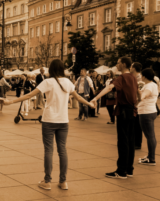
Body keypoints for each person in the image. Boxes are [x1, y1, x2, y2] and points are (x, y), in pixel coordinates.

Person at [7, 59, 95, 190]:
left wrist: (11, 102)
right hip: (63, 121)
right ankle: (63, 181)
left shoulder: (47, 82)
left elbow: (30, 95)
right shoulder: (68, 82)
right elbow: (78, 97)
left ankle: (47, 181)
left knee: (49, 150)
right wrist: (89, 104)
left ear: (51, 69)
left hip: (49, 120)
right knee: (62, 150)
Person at [92, 57, 138, 179]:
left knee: (123, 141)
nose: (116, 65)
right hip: (132, 111)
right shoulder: (133, 77)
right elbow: (138, 94)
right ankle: (129, 170)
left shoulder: (122, 78)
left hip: (123, 111)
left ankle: (121, 171)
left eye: (118, 63)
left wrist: (95, 98)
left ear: (123, 64)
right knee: (130, 141)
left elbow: (109, 88)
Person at [136, 68, 158, 166]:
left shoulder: (149, 86)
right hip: (151, 111)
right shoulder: (153, 84)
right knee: (151, 136)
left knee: (150, 136)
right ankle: (150, 156)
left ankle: (151, 159)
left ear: (144, 76)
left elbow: (143, 96)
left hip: (146, 113)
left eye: (141, 75)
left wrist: (137, 90)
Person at [130, 62, 143, 149]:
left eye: (131, 66)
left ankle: (137, 143)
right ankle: (134, 142)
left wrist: (137, 103)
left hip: (138, 105)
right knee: (134, 124)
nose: (130, 68)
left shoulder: (140, 79)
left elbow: (140, 93)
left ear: (134, 68)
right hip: (134, 104)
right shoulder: (134, 78)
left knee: (137, 125)